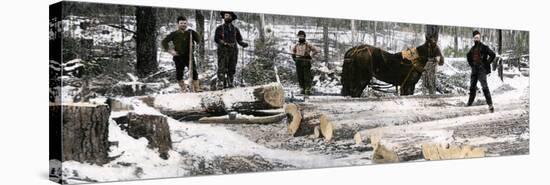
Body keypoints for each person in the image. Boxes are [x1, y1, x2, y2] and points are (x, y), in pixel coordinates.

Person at [161, 16, 202, 92]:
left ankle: (196, 88)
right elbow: (164, 42)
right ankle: (183, 88)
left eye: (185, 23)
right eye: (181, 23)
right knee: (179, 73)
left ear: (187, 24)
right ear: (178, 24)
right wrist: (170, 51)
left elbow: (198, 40)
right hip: (178, 56)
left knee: (194, 72)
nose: (183, 25)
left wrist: (194, 33)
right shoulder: (174, 34)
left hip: (189, 56)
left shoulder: (189, 33)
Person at [214, 11, 249, 89]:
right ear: (224, 17)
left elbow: (239, 40)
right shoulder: (220, 28)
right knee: (222, 67)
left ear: (232, 18)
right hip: (223, 50)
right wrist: (223, 43)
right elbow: (216, 39)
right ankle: (220, 83)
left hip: (233, 50)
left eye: (229, 16)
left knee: (232, 67)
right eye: (226, 15)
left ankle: (230, 82)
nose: (227, 17)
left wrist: (243, 44)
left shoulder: (235, 29)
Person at [466, 30, 496, 112]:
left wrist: (487, 63)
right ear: (473, 39)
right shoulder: (472, 49)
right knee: (472, 87)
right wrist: (472, 65)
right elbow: (468, 56)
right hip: (474, 70)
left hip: (482, 70)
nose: (476, 39)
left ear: (480, 38)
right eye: (475, 38)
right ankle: (469, 103)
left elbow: (493, 55)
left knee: (485, 87)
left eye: (478, 38)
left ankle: (490, 105)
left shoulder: (484, 47)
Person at [291, 30, 319, 95]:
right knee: (300, 76)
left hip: (306, 62)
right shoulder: (296, 45)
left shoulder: (308, 44)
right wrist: (294, 57)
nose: (301, 37)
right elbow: (293, 52)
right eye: (300, 36)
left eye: (302, 36)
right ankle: (302, 89)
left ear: (304, 37)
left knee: (307, 76)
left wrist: (310, 55)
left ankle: (307, 89)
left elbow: (316, 50)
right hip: (298, 62)